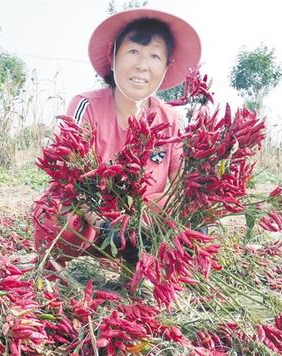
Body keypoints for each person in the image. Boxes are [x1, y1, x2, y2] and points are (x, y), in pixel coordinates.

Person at [33, 8, 201, 268]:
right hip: (92, 225)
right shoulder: (86, 106)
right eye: (133, 51)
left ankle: (139, 265)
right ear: (113, 58)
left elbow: (183, 187)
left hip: (140, 225)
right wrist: (104, 225)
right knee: (57, 210)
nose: (142, 65)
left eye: (155, 56)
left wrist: (196, 215)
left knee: (179, 209)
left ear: (166, 67)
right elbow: (67, 176)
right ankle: (55, 266)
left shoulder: (171, 119)